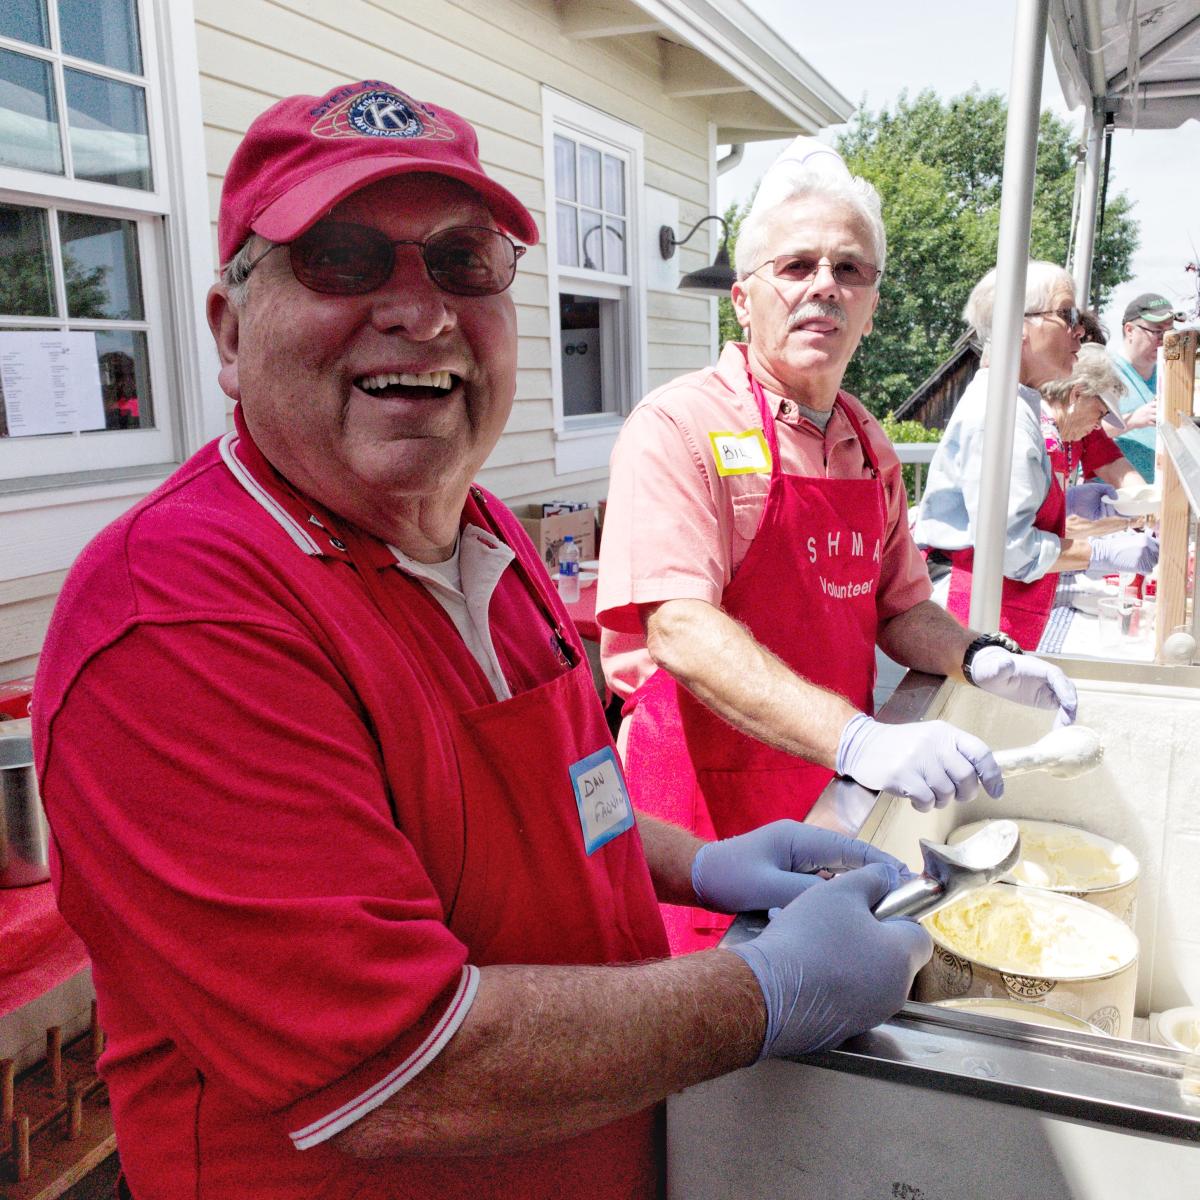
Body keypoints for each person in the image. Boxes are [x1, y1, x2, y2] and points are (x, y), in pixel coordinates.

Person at [31, 82, 933, 1200]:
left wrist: (692, 862)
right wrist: (763, 994)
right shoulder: (173, 616)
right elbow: (399, 1067)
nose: (420, 311)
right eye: (343, 258)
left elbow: (570, 795)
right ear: (227, 329)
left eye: (464, 262)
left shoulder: (485, 533)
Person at [597, 144, 1078, 955]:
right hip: (691, 815)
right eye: (796, 265)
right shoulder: (678, 427)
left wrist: (980, 656)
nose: (825, 285)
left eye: (849, 269)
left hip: (827, 795)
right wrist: (863, 739)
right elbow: (678, 628)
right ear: (744, 300)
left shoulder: (869, 442)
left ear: (872, 307)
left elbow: (902, 608)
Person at [915, 264, 1159, 652]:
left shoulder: (1016, 405)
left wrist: (1070, 504)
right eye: (1067, 315)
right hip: (977, 614)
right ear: (1019, 327)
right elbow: (1013, 550)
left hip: (999, 610)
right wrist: (1103, 552)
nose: (1079, 330)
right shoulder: (1003, 415)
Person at [1109, 292, 1176, 481]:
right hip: (1114, 499)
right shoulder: (1104, 372)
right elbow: (1083, 434)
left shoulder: (1172, 374)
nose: (1165, 339)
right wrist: (1132, 421)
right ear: (1129, 330)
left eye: (1170, 332)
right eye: (1157, 331)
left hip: (1159, 498)